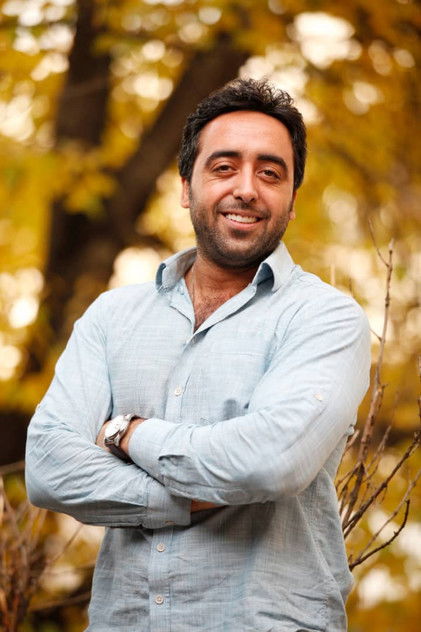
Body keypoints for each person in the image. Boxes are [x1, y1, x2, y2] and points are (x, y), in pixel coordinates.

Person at [26, 78, 371, 632]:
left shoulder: (325, 319)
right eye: (224, 167)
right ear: (186, 187)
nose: (247, 189)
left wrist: (127, 433)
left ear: (292, 200)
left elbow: (269, 462)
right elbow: (48, 467)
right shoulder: (112, 317)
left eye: (270, 173)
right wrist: (192, 497)